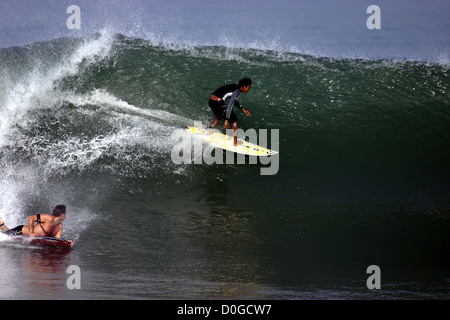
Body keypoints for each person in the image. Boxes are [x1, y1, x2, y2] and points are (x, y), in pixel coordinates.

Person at [0, 205, 74, 246]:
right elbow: (31, 218)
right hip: (21, 231)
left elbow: (57, 239)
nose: (66, 215)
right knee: (6, 235)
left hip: (34, 236)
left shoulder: (60, 226)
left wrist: (66, 242)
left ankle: (2, 225)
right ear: (63, 214)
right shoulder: (48, 218)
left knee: (8, 233)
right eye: (66, 213)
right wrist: (31, 233)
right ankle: (2, 226)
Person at [208, 78, 252, 146]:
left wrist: (242, 108)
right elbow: (230, 105)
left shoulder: (234, 87)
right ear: (243, 86)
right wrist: (226, 119)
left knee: (220, 115)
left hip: (211, 101)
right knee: (234, 119)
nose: (249, 90)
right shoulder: (237, 92)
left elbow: (232, 100)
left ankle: (210, 130)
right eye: (248, 87)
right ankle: (235, 142)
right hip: (218, 103)